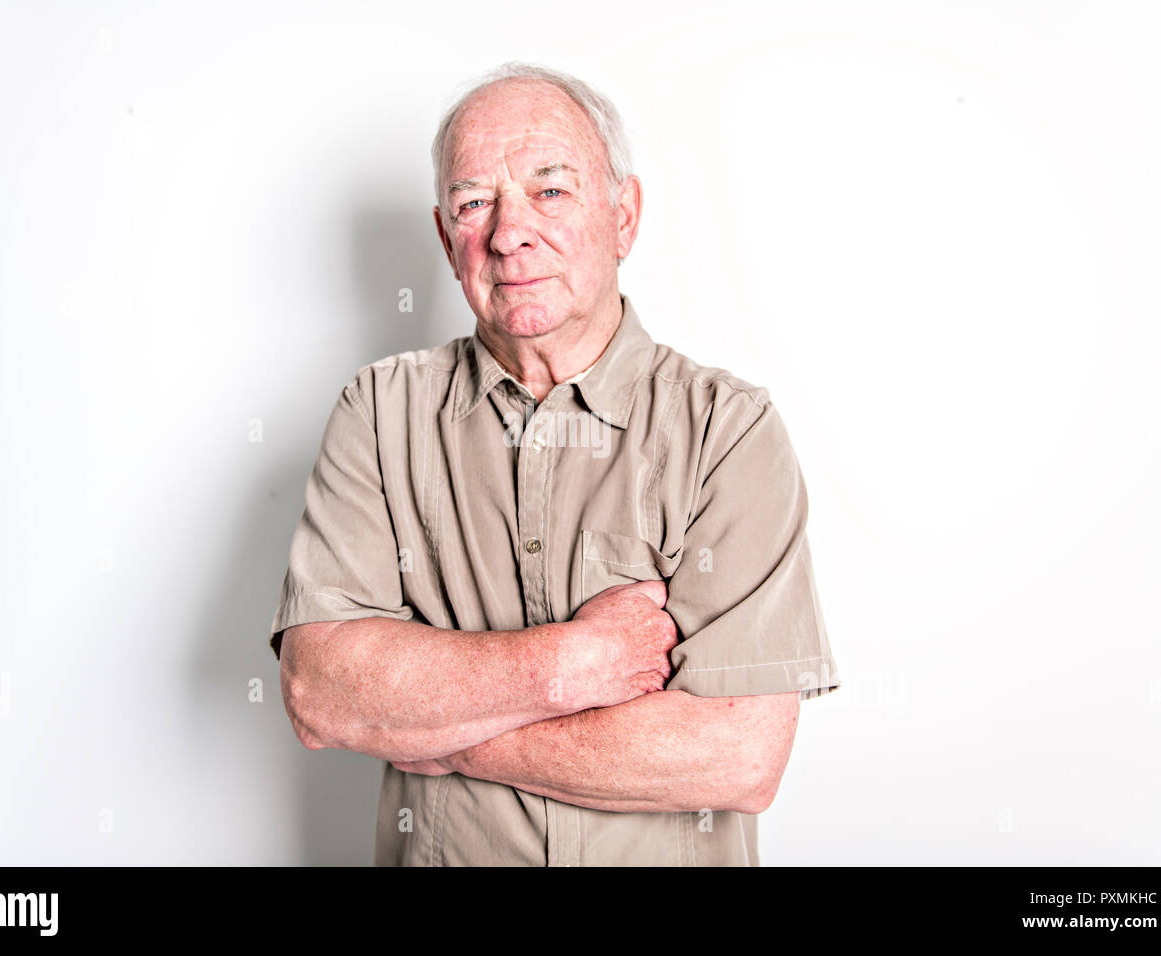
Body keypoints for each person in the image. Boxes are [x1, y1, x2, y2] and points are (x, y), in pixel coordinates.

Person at [269, 61, 841, 866]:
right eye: (474, 203)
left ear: (624, 216)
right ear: (445, 237)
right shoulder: (377, 413)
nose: (508, 233)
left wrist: (448, 734)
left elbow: (737, 754)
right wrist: (573, 665)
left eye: (551, 191)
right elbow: (321, 693)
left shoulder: (728, 431)